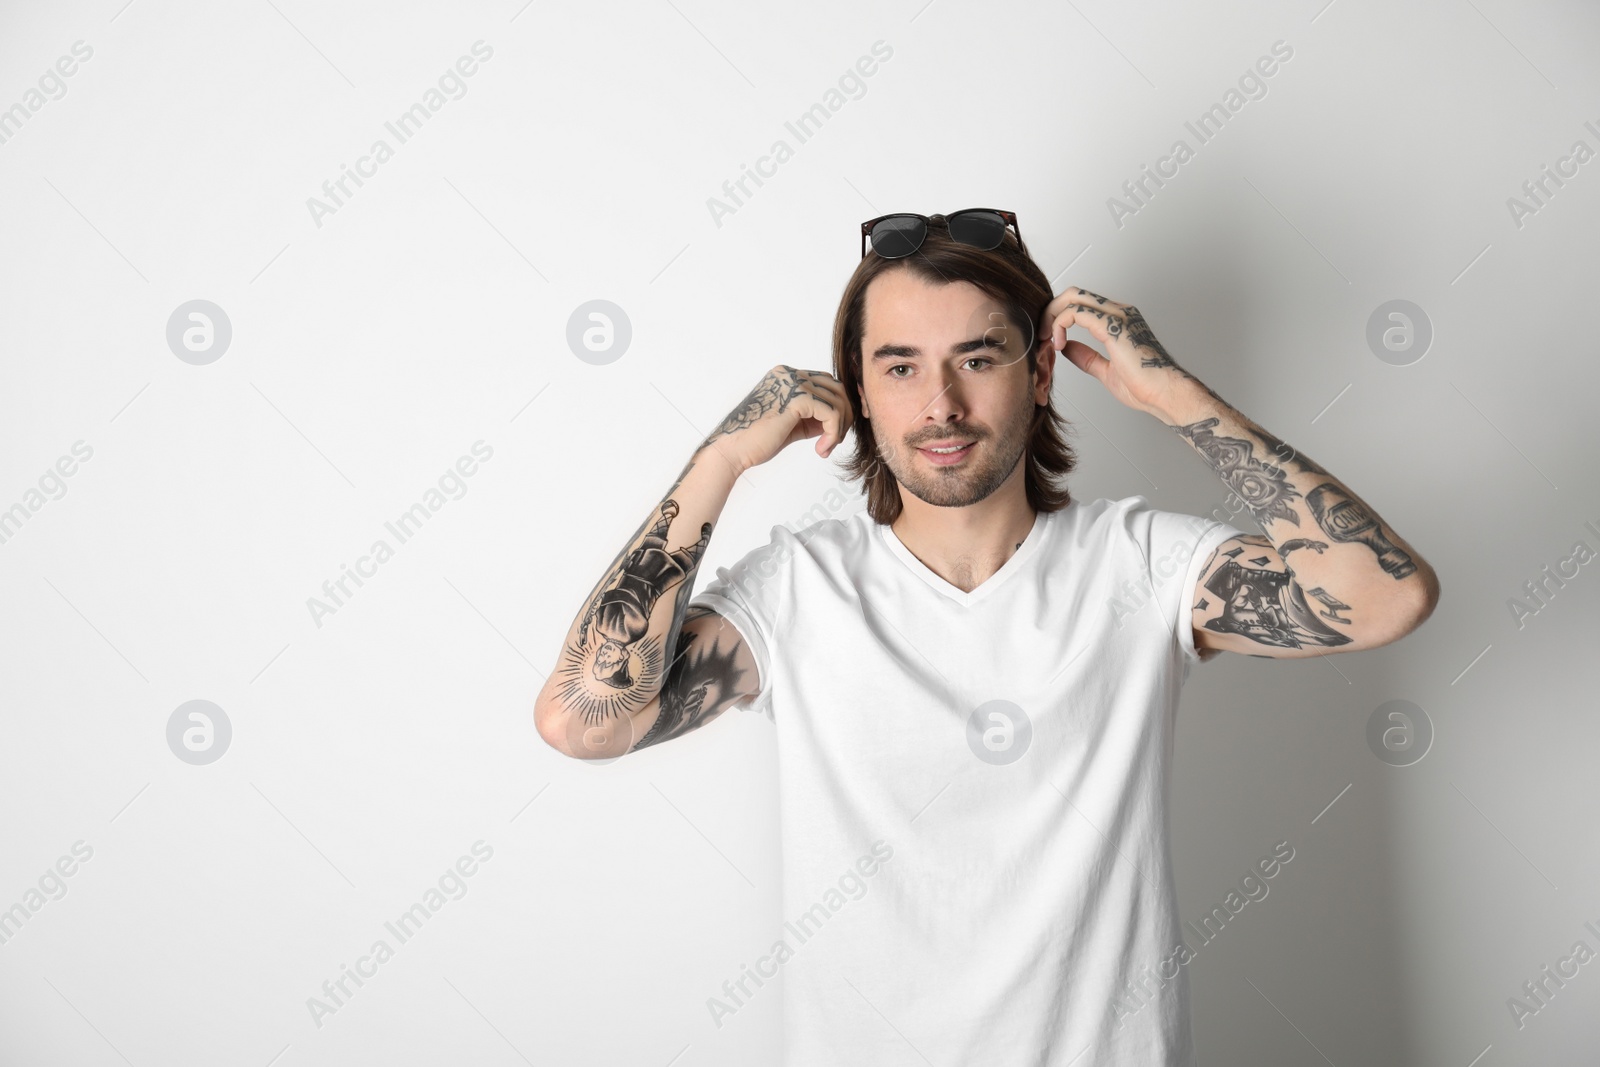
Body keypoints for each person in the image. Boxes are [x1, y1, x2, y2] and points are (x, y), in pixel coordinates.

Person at [534, 209, 1440, 1065]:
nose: (941, 404)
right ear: (858, 391)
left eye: (977, 358)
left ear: (1041, 374)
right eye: (899, 367)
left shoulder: (1140, 566)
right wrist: (723, 458)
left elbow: (1386, 597)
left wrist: (1170, 394)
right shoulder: (799, 590)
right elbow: (584, 719)